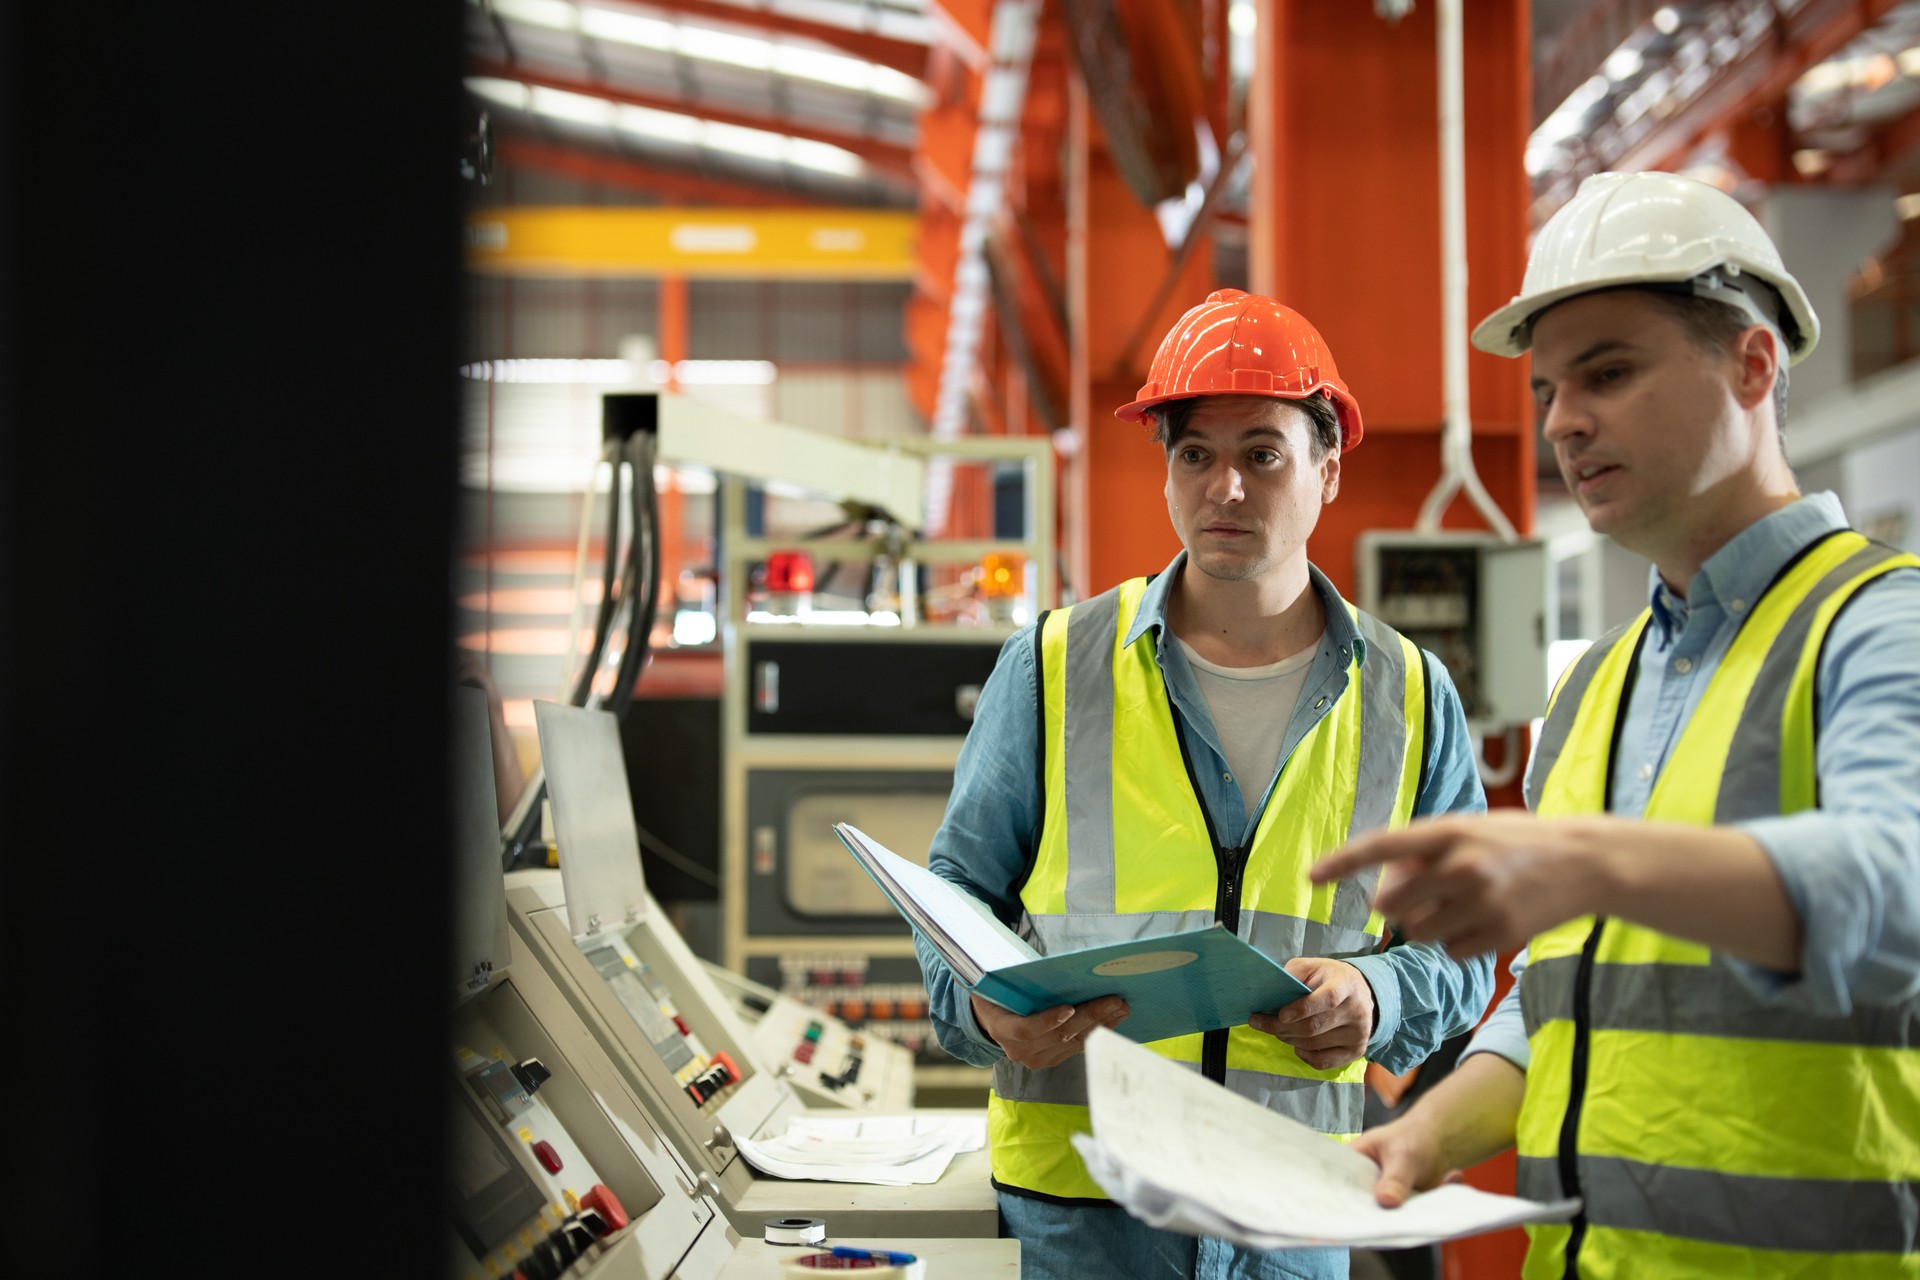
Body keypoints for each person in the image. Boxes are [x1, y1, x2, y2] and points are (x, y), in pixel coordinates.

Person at [1312, 171, 1920, 1276]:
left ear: (1752, 363)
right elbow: (1562, 995)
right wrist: (1422, 1136)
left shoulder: (1884, 625)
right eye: (1548, 387)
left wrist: (1583, 860)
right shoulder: (1595, 684)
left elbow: (1894, 893)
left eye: (1608, 372)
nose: (1561, 421)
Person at [914, 288, 1496, 1280]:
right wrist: (980, 1008)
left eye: (1263, 451)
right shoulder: (1054, 665)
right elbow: (951, 896)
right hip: (1082, 1211)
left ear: (1328, 466)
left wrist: (1376, 988)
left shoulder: (1408, 692)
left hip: (1289, 1204)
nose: (1226, 485)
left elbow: (1467, 942)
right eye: (1196, 453)